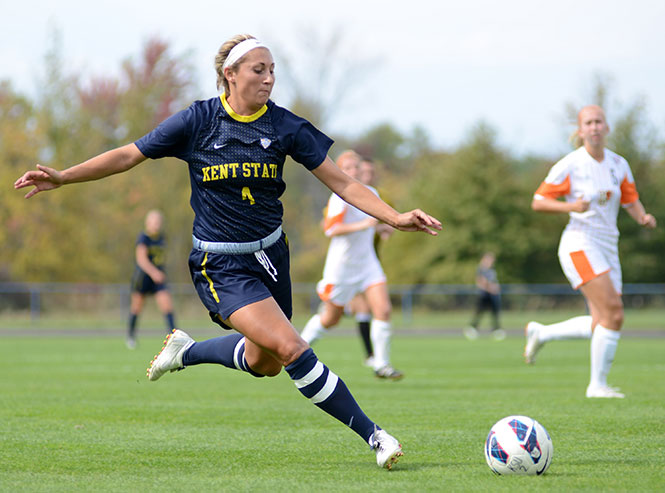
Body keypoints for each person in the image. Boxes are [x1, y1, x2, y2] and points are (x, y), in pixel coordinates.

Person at [14, 34, 441, 468]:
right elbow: (129, 154)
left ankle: (187, 352)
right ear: (229, 75)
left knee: (267, 363)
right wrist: (65, 176)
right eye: (259, 70)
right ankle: (376, 436)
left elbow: (345, 183)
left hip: (272, 257)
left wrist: (394, 216)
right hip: (219, 263)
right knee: (293, 349)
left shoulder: (285, 126)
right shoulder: (197, 121)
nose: (269, 79)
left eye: (273, 70)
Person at [524, 105, 656, 399]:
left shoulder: (618, 164)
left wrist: (642, 217)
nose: (595, 127)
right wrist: (571, 206)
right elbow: (538, 201)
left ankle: (542, 333)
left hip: (609, 244)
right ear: (580, 130)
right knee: (614, 313)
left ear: (607, 128)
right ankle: (597, 385)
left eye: (599, 122)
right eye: (589, 122)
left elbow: (630, 199)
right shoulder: (570, 164)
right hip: (580, 242)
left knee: (603, 320)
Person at [300, 151, 403, 380]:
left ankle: (381, 364)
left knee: (383, 310)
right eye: (348, 168)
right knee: (331, 319)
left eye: (357, 166)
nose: (354, 171)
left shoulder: (372, 193)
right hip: (342, 267)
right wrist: (366, 224)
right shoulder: (339, 197)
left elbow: (371, 223)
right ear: (340, 171)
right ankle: (298, 348)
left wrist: (380, 228)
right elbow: (331, 229)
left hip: (367, 264)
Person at [126, 209, 176, 349]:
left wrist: (159, 272)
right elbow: (141, 259)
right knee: (136, 308)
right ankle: (131, 336)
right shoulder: (143, 238)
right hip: (143, 278)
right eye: (153, 221)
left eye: (158, 221)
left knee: (167, 306)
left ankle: (174, 339)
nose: (156, 224)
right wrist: (154, 273)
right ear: (147, 222)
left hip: (158, 278)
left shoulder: (161, 238)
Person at [464, 252, 504, 341]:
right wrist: (492, 289)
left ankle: (496, 329)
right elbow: (482, 282)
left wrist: (495, 288)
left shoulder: (491, 269)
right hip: (484, 295)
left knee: (495, 313)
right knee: (479, 312)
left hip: (493, 295)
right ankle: (472, 328)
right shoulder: (481, 269)